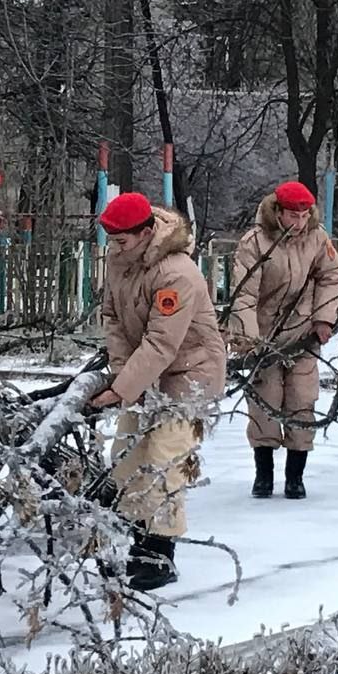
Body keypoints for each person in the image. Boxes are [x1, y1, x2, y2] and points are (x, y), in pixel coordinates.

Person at [90, 192, 227, 591]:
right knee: (127, 456)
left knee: (164, 459)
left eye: (123, 241)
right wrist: (121, 378)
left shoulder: (176, 273)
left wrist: (119, 390)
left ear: (147, 232)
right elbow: (113, 320)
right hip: (145, 373)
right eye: (112, 241)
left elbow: (162, 343)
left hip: (190, 374)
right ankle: (138, 542)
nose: (115, 248)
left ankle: (161, 552)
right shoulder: (120, 263)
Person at [229, 180, 338, 501]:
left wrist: (323, 318)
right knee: (264, 401)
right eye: (293, 215)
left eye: (304, 215)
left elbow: (330, 276)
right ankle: (263, 474)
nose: (299, 221)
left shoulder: (318, 239)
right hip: (264, 336)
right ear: (277, 212)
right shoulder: (255, 242)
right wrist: (249, 341)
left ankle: (295, 476)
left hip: (303, 334)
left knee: (301, 401)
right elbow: (245, 293)